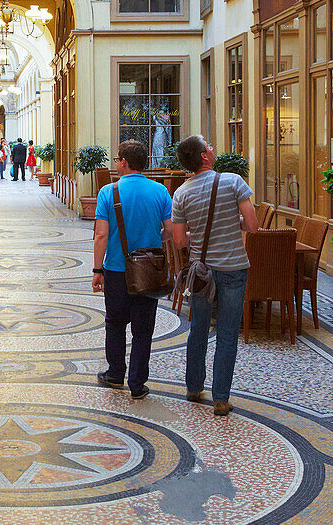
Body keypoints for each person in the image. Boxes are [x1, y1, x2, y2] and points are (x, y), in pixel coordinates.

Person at [172, 135, 258, 416]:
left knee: (197, 329)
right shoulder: (233, 181)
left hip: (201, 272)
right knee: (228, 332)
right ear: (204, 156)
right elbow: (253, 225)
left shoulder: (182, 193)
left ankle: (194, 388)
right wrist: (234, 223)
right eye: (209, 145)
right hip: (233, 268)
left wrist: (197, 232)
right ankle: (221, 398)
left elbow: (180, 242)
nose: (213, 148)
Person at [92, 140, 172, 401]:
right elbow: (170, 231)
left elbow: (101, 235)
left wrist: (97, 269)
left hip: (116, 269)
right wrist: (154, 238)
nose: (116, 163)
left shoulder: (108, 192)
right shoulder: (160, 191)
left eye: (117, 159)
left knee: (115, 323)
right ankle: (137, 383)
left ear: (124, 162)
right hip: (148, 270)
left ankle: (116, 373)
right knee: (143, 328)